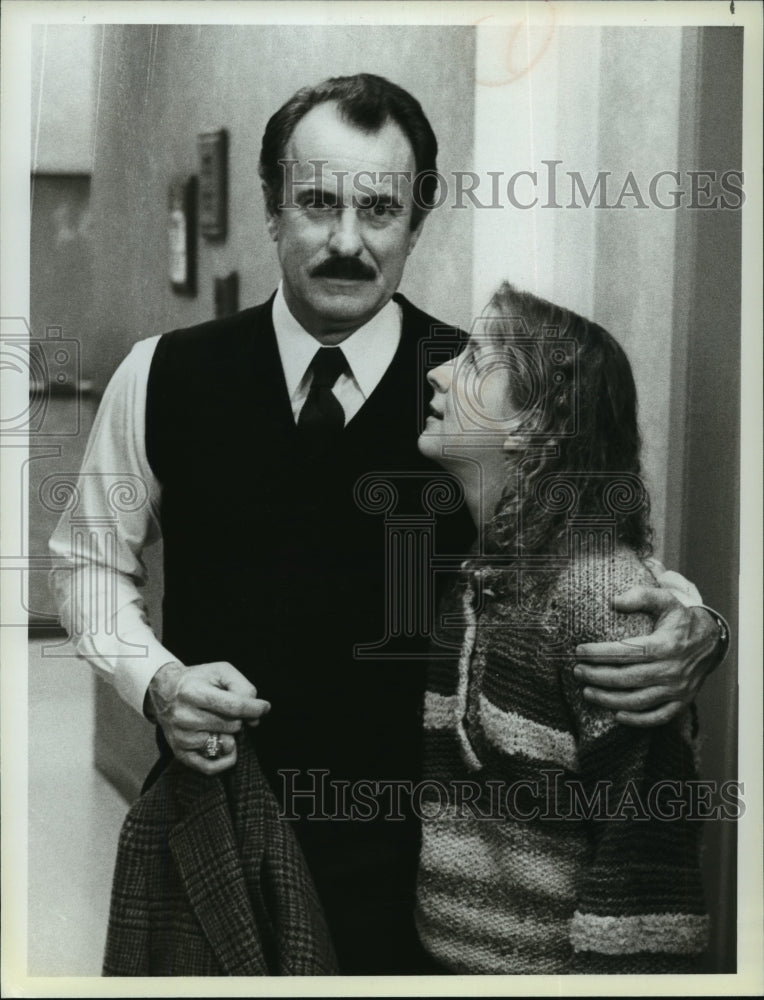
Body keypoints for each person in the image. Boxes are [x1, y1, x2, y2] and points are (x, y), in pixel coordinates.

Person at [49, 73, 726, 975]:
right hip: (220, 816)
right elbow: (88, 563)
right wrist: (155, 681)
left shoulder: (481, 393)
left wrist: (697, 629)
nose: (346, 241)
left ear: (419, 217)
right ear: (271, 207)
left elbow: (600, 564)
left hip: (433, 873)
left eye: (379, 210)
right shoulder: (159, 373)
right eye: (318, 203)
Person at [414, 283, 710, 974]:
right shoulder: (483, 578)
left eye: (475, 359)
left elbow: (646, 858)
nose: (436, 372)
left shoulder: (601, 594)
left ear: (533, 423)